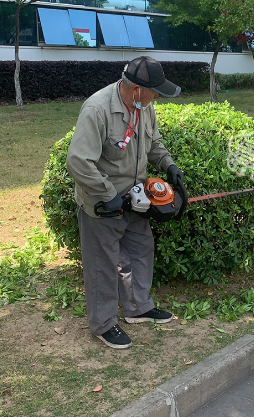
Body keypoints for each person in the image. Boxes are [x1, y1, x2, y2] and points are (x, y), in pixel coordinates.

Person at [66, 56, 185, 349]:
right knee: (102, 264)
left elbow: (154, 143)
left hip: (136, 198)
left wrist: (169, 166)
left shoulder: (145, 107)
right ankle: (104, 324)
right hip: (103, 203)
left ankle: (138, 307)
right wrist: (109, 196)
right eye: (154, 91)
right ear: (135, 90)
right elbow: (78, 162)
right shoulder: (97, 109)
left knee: (140, 250)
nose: (157, 96)